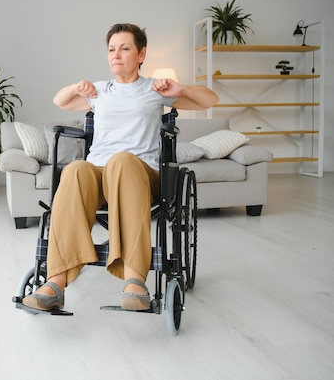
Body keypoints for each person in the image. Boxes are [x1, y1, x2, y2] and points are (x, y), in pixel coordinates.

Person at [22, 23, 218, 311]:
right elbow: (60, 100)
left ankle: (135, 281)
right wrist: (77, 87)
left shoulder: (155, 89)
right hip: (98, 174)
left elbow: (210, 100)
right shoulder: (100, 91)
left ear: (141, 54)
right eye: (112, 49)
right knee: (76, 168)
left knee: (122, 161)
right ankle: (55, 282)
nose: (116, 54)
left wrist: (182, 89)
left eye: (124, 48)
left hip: (139, 172)